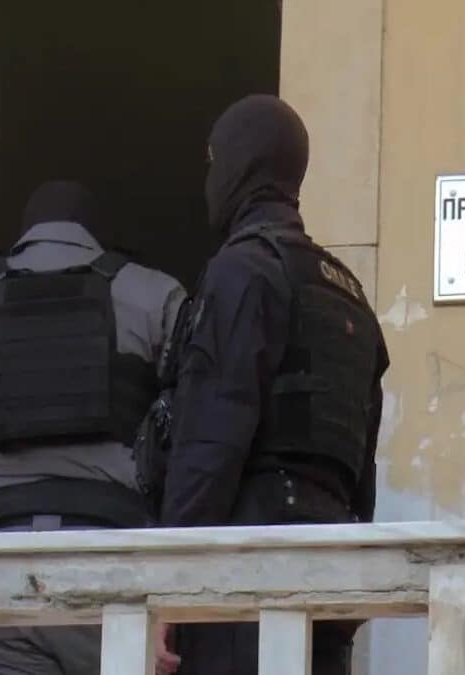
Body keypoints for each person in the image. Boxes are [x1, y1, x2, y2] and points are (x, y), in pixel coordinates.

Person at [159, 95, 390, 675]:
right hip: (327, 575)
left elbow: (208, 445)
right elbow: (361, 472)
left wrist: (165, 586)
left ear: (242, 164)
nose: (209, 179)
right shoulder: (350, 297)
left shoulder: (243, 270)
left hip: (245, 578)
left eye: (215, 161)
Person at [0, 180, 185, 675]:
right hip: (114, 571)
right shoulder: (154, 293)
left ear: (26, 235)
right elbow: (188, 423)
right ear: (96, 236)